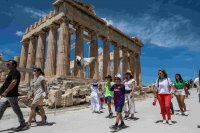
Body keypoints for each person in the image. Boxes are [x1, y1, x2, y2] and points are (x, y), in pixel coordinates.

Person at [0, 60, 26, 131]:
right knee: (1, 109)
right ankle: (23, 124)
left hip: (11, 95)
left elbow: (14, 82)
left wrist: (5, 92)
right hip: (7, 95)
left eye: (8, 64)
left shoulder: (15, 72)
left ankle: (23, 124)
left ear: (13, 65)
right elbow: (7, 83)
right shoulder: (11, 72)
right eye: (7, 64)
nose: (7, 65)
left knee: (16, 110)